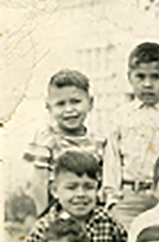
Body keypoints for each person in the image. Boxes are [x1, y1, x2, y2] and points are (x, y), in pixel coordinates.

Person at [104, 42, 159, 227]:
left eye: (155, 77)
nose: (147, 84)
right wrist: (112, 200)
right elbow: (112, 159)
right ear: (129, 77)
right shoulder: (120, 116)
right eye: (140, 77)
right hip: (129, 199)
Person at [26, 149, 127, 242]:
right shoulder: (42, 231)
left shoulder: (108, 223)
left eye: (88, 187)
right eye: (71, 187)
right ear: (54, 190)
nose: (80, 194)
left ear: (97, 189)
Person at [23, 69, 106, 216]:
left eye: (76, 102)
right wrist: (45, 218)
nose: (69, 109)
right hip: (58, 213)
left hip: (92, 211)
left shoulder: (99, 140)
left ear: (90, 103)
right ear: (49, 107)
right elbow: (38, 184)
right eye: (60, 104)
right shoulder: (46, 139)